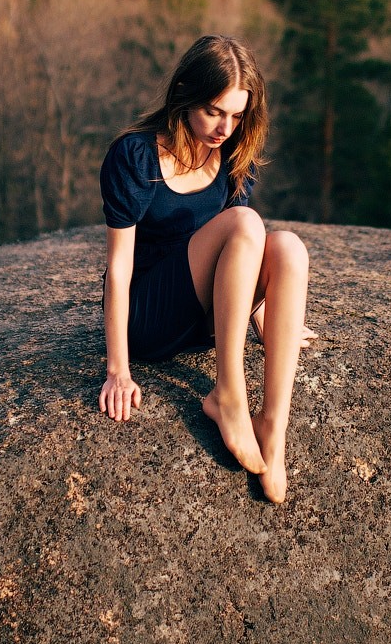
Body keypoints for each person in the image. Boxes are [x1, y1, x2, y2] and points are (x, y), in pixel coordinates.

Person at [98, 35, 313, 503]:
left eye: (237, 115)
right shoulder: (135, 156)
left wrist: (270, 316)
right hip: (150, 317)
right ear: (184, 95)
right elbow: (118, 267)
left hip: (207, 313)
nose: (225, 127)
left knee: (290, 249)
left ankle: (273, 429)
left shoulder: (235, 154)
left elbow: (247, 253)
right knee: (245, 222)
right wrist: (118, 369)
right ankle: (228, 394)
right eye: (215, 111)